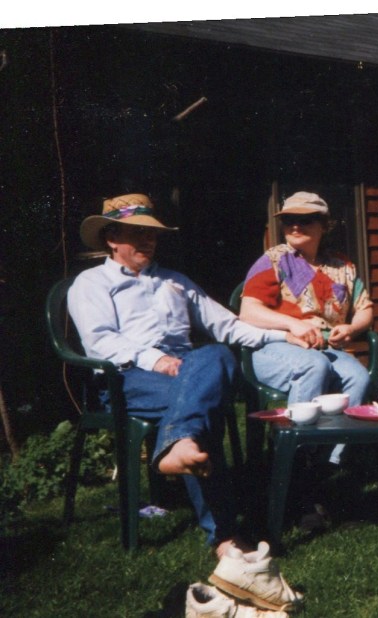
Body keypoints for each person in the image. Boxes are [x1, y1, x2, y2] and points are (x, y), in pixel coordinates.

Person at [68, 193, 307, 556]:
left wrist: (283, 335)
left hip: (187, 369)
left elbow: (227, 325)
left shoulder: (175, 281)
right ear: (112, 238)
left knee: (216, 354)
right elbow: (100, 342)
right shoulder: (91, 283)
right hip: (127, 377)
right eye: (137, 232)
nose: (148, 240)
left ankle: (180, 445)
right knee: (200, 406)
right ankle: (225, 537)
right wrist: (155, 359)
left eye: (151, 233)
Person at [239, 192, 373, 465]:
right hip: (275, 346)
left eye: (305, 220)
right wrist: (293, 324)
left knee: (357, 378)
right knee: (314, 366)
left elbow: (365, 308)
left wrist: (351, 328)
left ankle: (328, 461)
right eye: (289, 220)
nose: (295, 226)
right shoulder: (275, 260)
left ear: (324, 225)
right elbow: (248, 312)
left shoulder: (343, 266)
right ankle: (292, 458)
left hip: (325, 348)